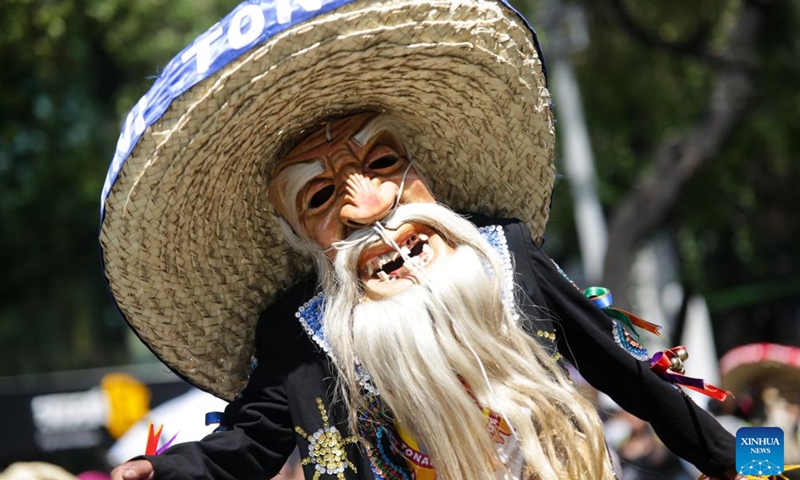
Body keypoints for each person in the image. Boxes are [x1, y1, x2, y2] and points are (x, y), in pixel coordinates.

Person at [99, 0, 739, 479]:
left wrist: (766, 465)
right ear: (299, 239)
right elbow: (249, 442)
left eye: (381, 165)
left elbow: (636, 380)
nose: (368, 208)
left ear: (423, 169)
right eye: (321, 199)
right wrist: (165, 472)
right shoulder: (299, 336)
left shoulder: (504, 256)